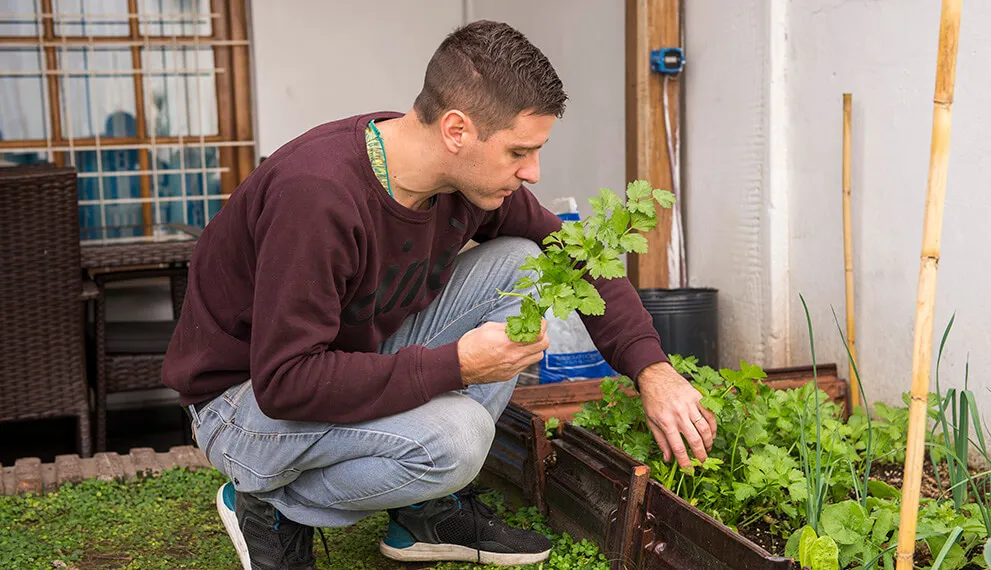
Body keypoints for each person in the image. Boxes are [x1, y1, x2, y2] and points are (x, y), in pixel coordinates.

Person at [162, 19, 717, 570]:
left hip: (338, 364)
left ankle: (424, 511)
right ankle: (270, 506)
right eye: (518, 152)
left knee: (525, 262)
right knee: (457, 437)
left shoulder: (467, 185)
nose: (533, 172)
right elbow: (286, 381)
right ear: (456, 131)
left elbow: (572, 255)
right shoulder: (317, 198)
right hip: (243, 401)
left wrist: (652, 370)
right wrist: (456, 365)